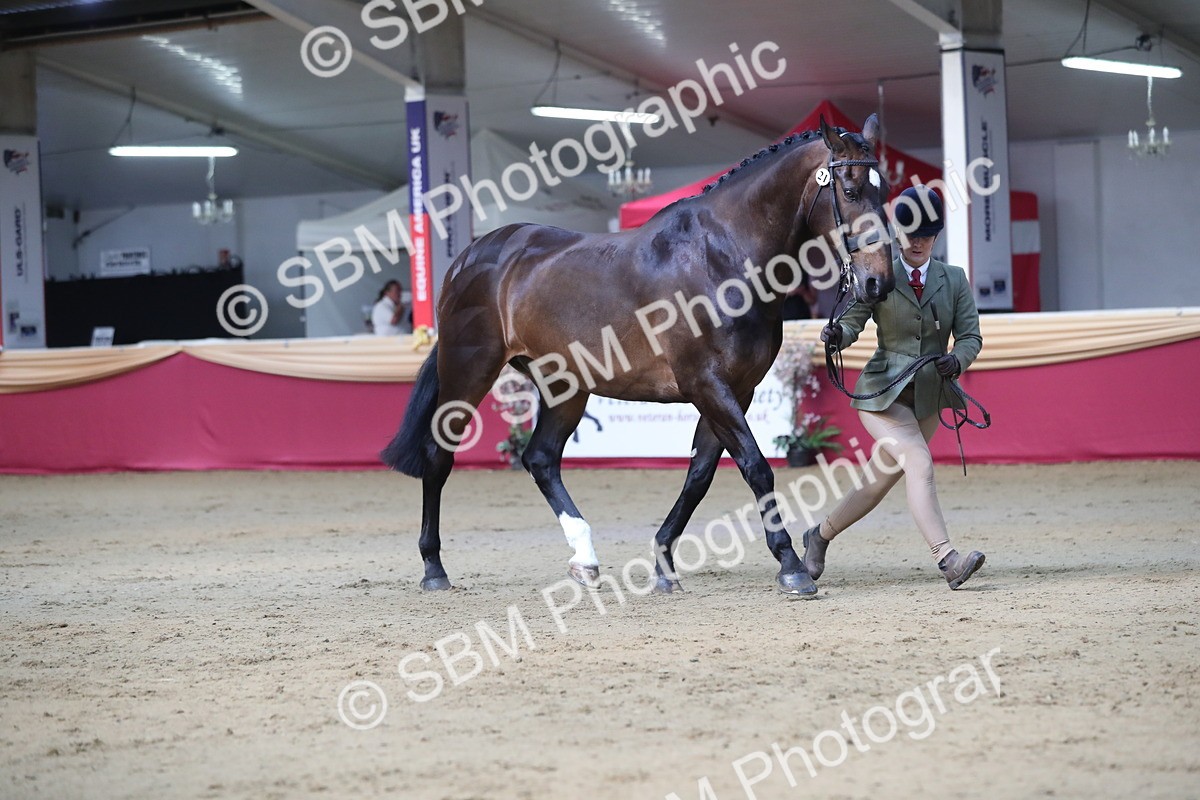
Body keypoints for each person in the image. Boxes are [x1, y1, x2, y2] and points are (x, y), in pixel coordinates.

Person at [805, 185, 986, 590]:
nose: (918, 241)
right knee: (919, 463)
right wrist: (838, 334)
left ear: (937, 234)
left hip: (927, 398)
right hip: (883, 393)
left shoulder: (954, 280)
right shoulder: (879, 272)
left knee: (876, 482)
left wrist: (957, 359)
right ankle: (948, 559)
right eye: (911, 233)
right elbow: (854, 319)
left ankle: (818, 536)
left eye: (927, 233)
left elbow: (971, 337)